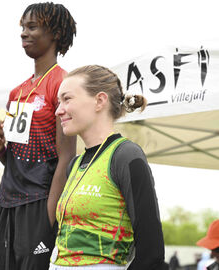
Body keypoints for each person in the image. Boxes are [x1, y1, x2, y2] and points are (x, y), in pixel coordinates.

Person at [0, 3, 76, 270]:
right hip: (7, 203)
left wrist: (50, 215)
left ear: (56, 33)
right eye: (22, 27)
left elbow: (67, 155)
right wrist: (1, 150)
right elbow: (21, 161)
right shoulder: (18, 91)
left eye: (32, 27)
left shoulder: (63, 84)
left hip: (40, 203)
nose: (23, 33)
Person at [51, 65, 168, 269]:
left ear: (100, 101)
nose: (58, 110)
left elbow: (151, 252)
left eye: (67, 99)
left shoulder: (125, 155)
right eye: (58, 102)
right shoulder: (75, 164)